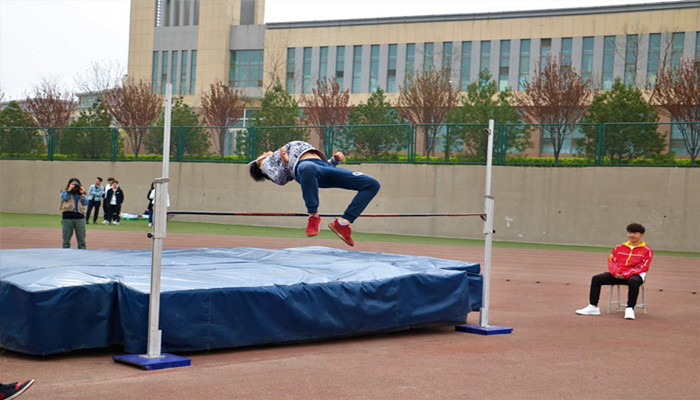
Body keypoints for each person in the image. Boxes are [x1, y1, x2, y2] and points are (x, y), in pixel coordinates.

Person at [248, 140, 380, 246]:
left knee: (372, 184)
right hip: (305, 168)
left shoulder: (278, 155)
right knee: (308, 167)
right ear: (259, 164)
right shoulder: (264, 163)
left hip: (322, 167)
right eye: (263, 154)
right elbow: (280, 180)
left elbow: (317, 166)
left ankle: (343, 223)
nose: (265, 152)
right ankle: (313, 216)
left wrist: (334, 161)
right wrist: (284, 162)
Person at [576, 223, 653, 320]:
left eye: (635, 233)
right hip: (617, 275)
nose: (631, 235)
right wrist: (615, 273)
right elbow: (611, 261)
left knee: (633, 281)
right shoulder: (619, 247)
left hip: (635, 276)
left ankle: (630, 308)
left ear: (642, 235)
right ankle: (593, 307)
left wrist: (626, 274)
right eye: (629, 232)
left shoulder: (647, 250)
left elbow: (643, 266)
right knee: (596, 279)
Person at [60, 178, 89, 249]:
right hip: (67, 217)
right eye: (72, 184)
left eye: (76, 184)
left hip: (80, 217)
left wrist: (82, 193)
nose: (74, 186)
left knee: (81, 238)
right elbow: (65, 198)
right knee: (66, 238)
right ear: (69, 184)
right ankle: (65, 252)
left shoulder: (81, 193)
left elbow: (86, 202)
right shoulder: (64, 192)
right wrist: (69, 190)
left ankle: (82, 252)